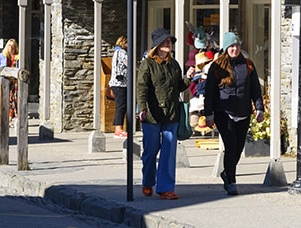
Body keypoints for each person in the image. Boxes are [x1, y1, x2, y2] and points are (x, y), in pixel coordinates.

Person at [136, 26, 195, 200]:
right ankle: (147, 181)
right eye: (166, 41)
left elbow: (178, 87)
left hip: (171, 113)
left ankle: (165, 188)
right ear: (157, 45)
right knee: (151, 150)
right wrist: (142, 108)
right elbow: (142, 88)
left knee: (169, 152)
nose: (169, 43)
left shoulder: (174, 64)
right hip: (152, 115)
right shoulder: (148, 64)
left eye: (170, 41)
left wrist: (188, 78)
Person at [204, 30, 264, 195]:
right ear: (225, 48)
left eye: (237, 45)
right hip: (224, 112)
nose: (235, 49)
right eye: (231, 46)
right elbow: (209, 92)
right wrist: (208, 114)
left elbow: (255, 90)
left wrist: (259, 108)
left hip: (243, 111)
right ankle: (231, 180)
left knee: (238, 148)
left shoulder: (248, 65)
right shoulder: (217, 67)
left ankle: (226, 172)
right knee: (230, 146)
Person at [109, 35, 129, 137]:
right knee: (121, 106)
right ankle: (118, 129)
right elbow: (129, 64)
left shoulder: (116, 52)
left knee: (120, 106)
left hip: (115, 83)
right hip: (120, 84)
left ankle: (119, 128)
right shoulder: (122, 53)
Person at [0, 38, 19, 118]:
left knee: (14, 100)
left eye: (13, 46)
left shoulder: (17, 57)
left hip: (14, 82)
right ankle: (5, 117)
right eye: (9, 45)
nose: (11, 47)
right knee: (4, 100)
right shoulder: (1, 56)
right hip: (4, 81)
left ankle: (12, 116)